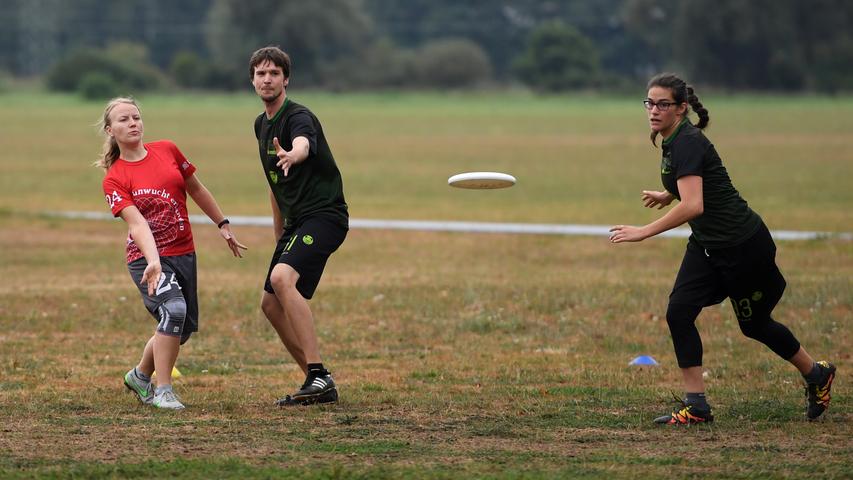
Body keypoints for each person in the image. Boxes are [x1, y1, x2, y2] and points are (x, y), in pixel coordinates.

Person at [609, 73, 836, 425]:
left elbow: (694, 205)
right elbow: (694, 180)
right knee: (679, 312)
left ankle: (817, 374)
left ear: (681, 108)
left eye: (663, 104)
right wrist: (668, 193)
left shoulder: (686, 141)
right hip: (707, 245)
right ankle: (696, 406)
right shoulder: (671, 138)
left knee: (755, 325)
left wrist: (643, 232)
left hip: (743, 245)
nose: (653, 110)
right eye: (649, 103)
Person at [97, 97, 247, 410]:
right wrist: (153, 260)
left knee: (182, 329)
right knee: (174, 311)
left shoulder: (167, 150)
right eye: (123, 120)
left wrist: (222, 223)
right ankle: (163, 390)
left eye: (136, 117)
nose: (133, 123)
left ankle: (139, 375)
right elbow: (137, 224)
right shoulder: (114, 178)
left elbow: (197, 189)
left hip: (184, 253)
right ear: (111, 130)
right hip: (146, 259)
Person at [249, 46, 349, 406]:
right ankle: (316, 380)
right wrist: (280, 235)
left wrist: (295, 152)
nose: (267, 79)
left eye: (274, 73)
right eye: (261, 73)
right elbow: (275, 185)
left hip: (325, 215)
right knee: (270, 304)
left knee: (281, 280)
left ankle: (319, 375)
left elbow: (304, 143)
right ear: (253, 80)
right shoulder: (261, 125)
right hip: (297, 223)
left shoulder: (298, 116)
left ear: (286, 79)